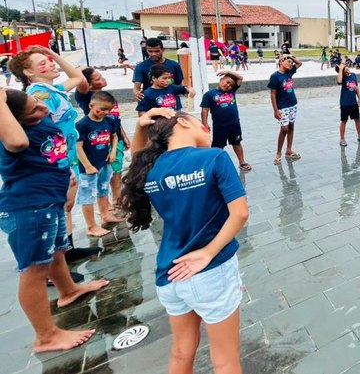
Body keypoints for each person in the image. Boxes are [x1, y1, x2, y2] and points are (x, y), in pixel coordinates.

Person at [120, 108, 249, 374]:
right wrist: (209, 252)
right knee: (225, 359)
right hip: (210, 271)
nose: (206, 127)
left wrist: (140, 126)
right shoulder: (214, 157)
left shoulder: (149, 168)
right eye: (200, 122)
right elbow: (240, 213)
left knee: (181, 352)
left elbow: (135, 160)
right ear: (182, 122)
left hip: (170, 272)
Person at [0, 88, 109, 353]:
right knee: (34, 269)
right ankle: (45, 336)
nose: (43, 108)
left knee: (57, 252)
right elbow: (18, 144)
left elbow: (56, 151)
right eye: (34, 109)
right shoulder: (11, 134)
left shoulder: (42, 119)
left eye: (38, 102)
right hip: (29, 207)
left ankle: (68, 291)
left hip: (52, 201)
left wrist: (68, 181)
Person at [9, 46, 100, 265]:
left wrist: (54, 54)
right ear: (28, 72)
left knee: (66, 206)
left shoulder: (54, 89)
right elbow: (44, 136)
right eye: (43, 63)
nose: (50, 65)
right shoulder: (39, 95)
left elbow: (78, 77)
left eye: (49, 61)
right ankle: (54, 261)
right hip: (56, 161)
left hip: (66, 158)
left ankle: (67, 250)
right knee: (59, 207)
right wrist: (63, 166)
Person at [77, 68, 131, 210]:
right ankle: (108, 206)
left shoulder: (107, 98)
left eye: (100, 75)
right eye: (97, 78)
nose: (102, 78)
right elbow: (79, 78)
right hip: (98, 140)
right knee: (106, 174)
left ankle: (117, 200)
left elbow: (115, 120)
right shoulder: (86, 96)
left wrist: (123, 136)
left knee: (117, 170)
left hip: (113, 135)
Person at [75, 91, 122, 237]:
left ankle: (105, 214)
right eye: (101, 109)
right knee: (87, 195)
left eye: (108, 109)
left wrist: (113, 151)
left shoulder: (109, 121)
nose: (104, 112)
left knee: (103, 190)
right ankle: (91, 225)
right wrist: (87, 165)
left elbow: (114, 136)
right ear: (91, 106)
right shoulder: (82, 125)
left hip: (105, 162)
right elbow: (78, 147)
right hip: (88, 167)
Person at [201, 71, 251, 172]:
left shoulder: (231, 92)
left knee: (236, 143)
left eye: (231, 84)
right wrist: (205, 123)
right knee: (218, 146)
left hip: (234, 123)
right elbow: (205, 109)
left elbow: (240, 78)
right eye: (227, 82)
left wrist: (229, 72)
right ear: (221, 80)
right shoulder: (209, 94)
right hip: (219, 126)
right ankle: (214, 164)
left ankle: (242, 162)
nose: (228, 85)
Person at [267, 55, 303, 164]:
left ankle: (289, 149)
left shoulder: (289, 72)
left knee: (291, 126)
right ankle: (278, 153)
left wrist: (291, 57)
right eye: (288, 62)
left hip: (293, 104)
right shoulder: (275, 76)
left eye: (291, 63)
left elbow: (299, 63)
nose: (290, 64)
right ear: (281, 62)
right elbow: (273, 94)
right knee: (284, 129)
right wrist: (275, 110)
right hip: (282, 106)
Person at [132, 37, 184, 102]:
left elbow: (180, 84)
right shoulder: (141, 66)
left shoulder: (174, 65)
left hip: (171, 102)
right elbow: (137, 88)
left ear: (162, 50)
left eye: (157, 51)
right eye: (150, 51)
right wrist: (137, 94)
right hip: (151, 104)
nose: (153, 54)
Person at [337, 64, 360, 147]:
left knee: (357, 119)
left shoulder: (353, 75)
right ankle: (342, 139)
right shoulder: (342, 78)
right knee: (344, 121)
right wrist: (340, 70)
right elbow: (339, 82)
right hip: (345, 103)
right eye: (344, 70)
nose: (347, 70)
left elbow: (356, 87)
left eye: (347, 68)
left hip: (353, 102)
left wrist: (359, 98)